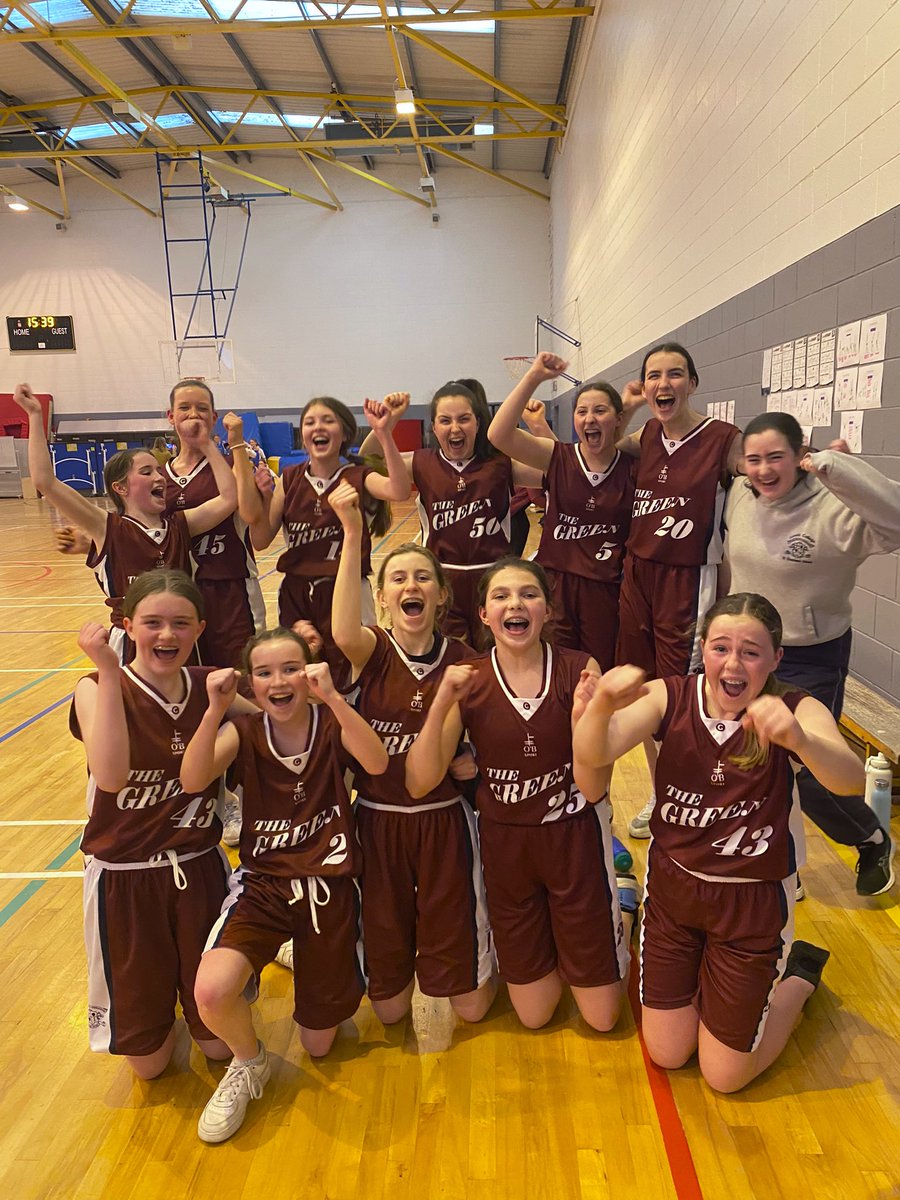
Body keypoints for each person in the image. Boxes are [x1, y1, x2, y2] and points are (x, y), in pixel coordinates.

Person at [573, 592, 864, 1093]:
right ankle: (720, 986)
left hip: (750, 904)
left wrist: (802, 741)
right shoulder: (670, 696)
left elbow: (852, 780)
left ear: (776, 659)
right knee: (666, 1052)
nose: (733, 662)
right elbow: (594, 757)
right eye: (721, 647)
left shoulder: (793, 708)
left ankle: (797, 978)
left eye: (751, 651)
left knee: (725, 1077)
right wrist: (598, 706)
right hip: (675, 891)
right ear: (703, 648)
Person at [406, 558, 633, 1032]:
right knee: (533, 1016)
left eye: (529, 594)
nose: (516, 603)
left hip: (574, 839)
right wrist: (442, 702)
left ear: (548, 611)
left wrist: (584, 722)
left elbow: (593, 789)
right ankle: (576, 922)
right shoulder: (468, 679)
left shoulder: (578, 669)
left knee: (603, 1020)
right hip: (506, 847)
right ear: (485, 614)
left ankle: (623, 900)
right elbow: (418, 781)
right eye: (501, 595)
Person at [181, 629, 389, 1144]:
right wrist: (214, 711)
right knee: (210, 991)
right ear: (251, 682)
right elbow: (192, 779)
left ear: (311, 670)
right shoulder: (247, 730)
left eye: (291, 668)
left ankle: (293, 948)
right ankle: (249, 1063)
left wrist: (335, 698)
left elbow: (378, 762)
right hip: (265, 886)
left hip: (328, 889)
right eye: (266, 672)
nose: (279, 680)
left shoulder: (330, 722)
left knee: (319, 1043)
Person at [70, 569, 256, 1079]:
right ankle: (155, 1011)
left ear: (199, 629)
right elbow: (109, 775)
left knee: (217, 1047)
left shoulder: (210, 685)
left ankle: (193, 1005)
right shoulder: (94, 688)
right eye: (152, 622)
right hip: (124, 879)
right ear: (128, 626)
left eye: (180, 623)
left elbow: (279, 721)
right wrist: (109, 669)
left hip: (198, 869)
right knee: (148, 1066)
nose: (166, 635)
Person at [327, 479, 495, 1024]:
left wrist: (473, 761)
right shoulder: (371, 649)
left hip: (445, 822)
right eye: (397, 578)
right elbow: (342, 628)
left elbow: (493, 740)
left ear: (442, 595)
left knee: (468, 1008)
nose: (410, 585)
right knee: (391, 1010)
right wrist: (353, 532)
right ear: (381, 598)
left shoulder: (466, 658)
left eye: (423, 576)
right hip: (378, 823)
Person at [725, 412, 900, 895]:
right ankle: (781, 862)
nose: (763, 470)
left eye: (775, 457)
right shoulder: (740, 495)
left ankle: (871, 837)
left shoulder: (836, 508)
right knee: (749, 762)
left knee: (806, 769)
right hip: (748, 654)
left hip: (812, 654)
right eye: (753, 459)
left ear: (800, 455)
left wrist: (835, 468)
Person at [14, 382, 237, 664]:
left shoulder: (179, 525)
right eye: (147, 472)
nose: (159, 478)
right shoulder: (107, 527)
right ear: (120, 488)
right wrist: (35, 415)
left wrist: (206, 444)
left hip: (180, 642)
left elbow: (229, 498)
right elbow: (45, 481)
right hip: (132, 647)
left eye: (159, 471)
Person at [616, 344, 742, 837]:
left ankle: (701, 799)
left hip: (688, 580)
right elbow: (595, 445)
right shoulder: (645, 435)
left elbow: (767, 465)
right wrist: (624, 405)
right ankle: (662, 792)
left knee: (687, 696)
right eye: (653, 377)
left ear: (693, 381)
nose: (663, 384)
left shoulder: (724, 440)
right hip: (637, 575)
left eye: (674, 375)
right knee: (645, 693)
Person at [232, 395, 410, 684]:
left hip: (347, 589)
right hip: (297, 594)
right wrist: (264, 499)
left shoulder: (357, 476)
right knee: (300, 673)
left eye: (328, 421)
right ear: (302, 435)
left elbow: (400, 491)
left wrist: (384, 434)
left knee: (357, 673)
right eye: (310, 422)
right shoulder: (288, 479)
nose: (318, 427)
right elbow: (261, 539)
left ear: (344, 433)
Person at [360, 385, 544, 645]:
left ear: (478, 424)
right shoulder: (420, 463)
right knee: (450, 659)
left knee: (492, 657)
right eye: (445, 420)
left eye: (464, 419)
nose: (455, 428)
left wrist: (538, 427)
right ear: (434, 427)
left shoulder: (501, 463)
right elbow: (368, 461)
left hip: (493, 578)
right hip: (442, 580)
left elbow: (557, 466)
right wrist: (386, 424)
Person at [487, 352, 637, 671]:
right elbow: (498, 434)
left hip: (605, 588)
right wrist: (534, 377)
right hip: (555, 583)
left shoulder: (633, 466)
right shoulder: (558, 456)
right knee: (555, 668)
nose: (589, 418)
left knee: (598, 671)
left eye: (600, 410)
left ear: (618, 419)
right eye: (582, 411)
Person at [163, 384, 266, 671]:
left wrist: (210, 444)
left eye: (202, 408)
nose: (193, 414)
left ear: (214, 417)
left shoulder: (234, 464)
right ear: (170, 416)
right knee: (189, 679)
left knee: (240, 677)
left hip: (230, 587)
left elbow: (252, 514)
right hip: (179, 592)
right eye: (184, 407)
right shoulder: (159, 476)